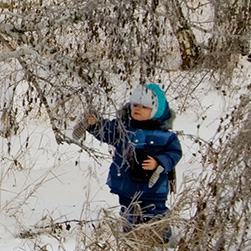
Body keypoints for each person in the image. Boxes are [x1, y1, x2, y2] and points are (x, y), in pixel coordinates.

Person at [73, 83, 182, 239]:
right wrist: (95, 125)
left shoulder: (165, 136)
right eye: (135, 105)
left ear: (156, 111)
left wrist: (159, 162)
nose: (137, 109)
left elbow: (175, 152)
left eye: (144, 107)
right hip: (127, 184)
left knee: (155, 213)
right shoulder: (123, 129)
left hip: (153, 187)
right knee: (129, 212)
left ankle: (162, 241)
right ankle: (131, 240)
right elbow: (108, 131)